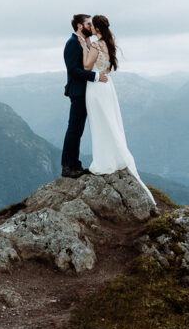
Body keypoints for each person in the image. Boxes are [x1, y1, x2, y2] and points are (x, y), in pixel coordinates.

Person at [78, 14, 154, 203]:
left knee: (99, 124)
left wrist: (84, 48)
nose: (91, 28)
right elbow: (108, 68)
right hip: (108, 86)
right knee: (110, 122)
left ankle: (104, 161)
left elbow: (87, 66)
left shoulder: (95, 45)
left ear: (96, 28)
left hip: (96, 88)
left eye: (92, 26)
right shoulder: (110, 43)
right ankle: (112, 157)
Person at [61, 14, 107, 178]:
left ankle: (75, 164)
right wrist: (95, 77)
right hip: (78, 92)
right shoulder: (72, 43)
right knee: (74, 129)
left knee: (78, 130)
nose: (91, 26)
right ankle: (67, 166)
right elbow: (73, 69)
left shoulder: (85, 43)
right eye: (88, 24)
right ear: (80, 26)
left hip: (86, 91)